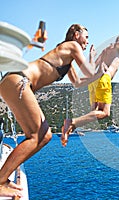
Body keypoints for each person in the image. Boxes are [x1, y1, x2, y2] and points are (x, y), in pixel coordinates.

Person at [0, 24, 106, 198]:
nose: (87, 42)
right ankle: (0, 180)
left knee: (44, 136)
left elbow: (78, 82)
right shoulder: (72, 46)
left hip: (14, 81)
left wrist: (94, 68)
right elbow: (89, 71)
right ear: (76, 35)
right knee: (38, 135)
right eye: (86, 37)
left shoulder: (67, 57)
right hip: (20, 80)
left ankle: (3, 177)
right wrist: (96, 63)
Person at [61, 35, 119, 146]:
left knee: (94, 112)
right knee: (105, 112)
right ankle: (72, 123)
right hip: (103, 79)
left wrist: (91, 56)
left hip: (94, 80)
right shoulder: (115, 47)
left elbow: (91, 68)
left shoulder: (105, 52)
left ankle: (69, 129)